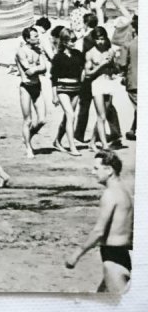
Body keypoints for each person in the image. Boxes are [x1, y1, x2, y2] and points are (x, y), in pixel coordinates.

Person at [65, 152, 133, 293]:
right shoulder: (126, 191)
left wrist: (76, 254)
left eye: (96, 168)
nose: (92, 172)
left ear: (108, 170)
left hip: (114, 260)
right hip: (125, 255)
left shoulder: (110, 194)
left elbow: (98, 231)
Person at [50, 28, 84, 156]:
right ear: (64, 42)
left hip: (76, 89)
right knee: (71, 115)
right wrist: (54, 95)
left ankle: (57, 141)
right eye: (71, 40)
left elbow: (82, 71)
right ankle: (72, 147)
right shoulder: (58, 57)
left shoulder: (78, 54)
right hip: (62, 89)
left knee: (67, 118)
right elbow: (53, 78)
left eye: (74, 40)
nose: (74, 42)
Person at [15, 27, 47, 158]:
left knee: (42, 120)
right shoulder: (21, 52)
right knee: (27, 120)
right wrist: (37, 68)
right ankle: (28, 147)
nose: (37, 38)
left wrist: (37, 68)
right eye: (35, 36)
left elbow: (44, 68)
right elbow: (28, 70)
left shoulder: (38, 51)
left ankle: (28, 136)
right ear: (27, 39)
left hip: (37, 86)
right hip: (26, 87)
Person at [123, 15, 137, 141]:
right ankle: (133, 130)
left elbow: (123, 63)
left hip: (134, 81)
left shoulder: (131, 44)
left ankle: (133, 130)